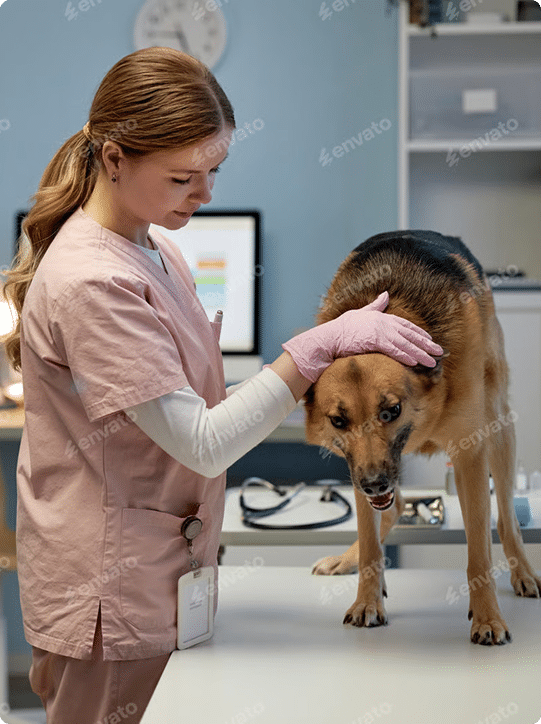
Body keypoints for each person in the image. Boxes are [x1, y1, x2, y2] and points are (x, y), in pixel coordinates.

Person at [2, 47, 443, 724]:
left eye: (214, 171)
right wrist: (313, 350)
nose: (206, 194)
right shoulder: (92, 280)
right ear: (114, 158)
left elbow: (191, 404)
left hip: (160, 575)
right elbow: (203, 444)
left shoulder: (157, 247)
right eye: (184, 176)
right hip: (110, 592)